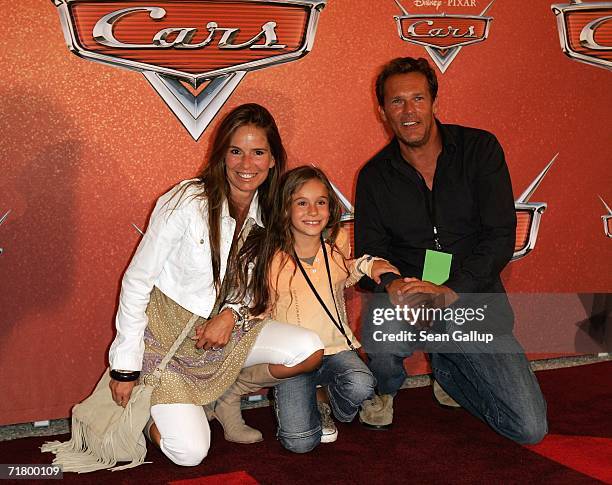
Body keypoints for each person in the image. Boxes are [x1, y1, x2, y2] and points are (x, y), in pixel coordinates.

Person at [108, 104, 325, 467]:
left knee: (308, 349)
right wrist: (125, 367)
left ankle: (223, 393)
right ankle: (151, 414)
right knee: (190, 453)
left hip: (225, 333)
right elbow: (137, 280)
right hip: (169, 341)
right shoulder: (186, 200)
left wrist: (231, 313)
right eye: (236, 151)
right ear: (221, 153)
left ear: (273, 160)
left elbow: (253, 285)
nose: (246, 164)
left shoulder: (269, 212)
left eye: (258, 152)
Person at [354, 57, 548, 444]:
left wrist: (451, 289)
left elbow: (499, 236)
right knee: (382, 324)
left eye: (418, 99)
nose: (409, 112)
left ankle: (450, 369)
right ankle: (385, 389)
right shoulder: (375, 175)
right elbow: (369, 252)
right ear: (382, 111)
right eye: (397, 102)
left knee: (529, 429)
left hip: (471, 299)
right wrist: (392, 283)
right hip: (410, 299)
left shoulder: (479, 149)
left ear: (434, 102)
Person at [230, 166, 399, 452]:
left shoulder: (335, 245)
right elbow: (254, 304)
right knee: (300, 443)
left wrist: (373, 265)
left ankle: (324, 400)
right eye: (301, 202)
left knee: (361, 385)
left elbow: (350, 268)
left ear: (330, 208)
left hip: (335, 351)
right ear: (285, 209)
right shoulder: (268, 255)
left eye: (320, 202)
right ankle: (311, 398)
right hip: (295, 361)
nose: (313, 211)